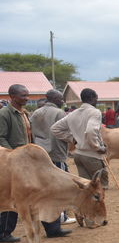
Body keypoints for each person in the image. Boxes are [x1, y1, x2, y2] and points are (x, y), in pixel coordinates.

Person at [0, 84, 70, 243]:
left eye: (27, 95)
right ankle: (3, 233)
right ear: (12, 96)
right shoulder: (5, 113)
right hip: (13, 163)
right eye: (23, 96)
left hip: (27, 161)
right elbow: (1, 137)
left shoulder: (24, 113)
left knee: (41, 193)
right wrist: (13, 156)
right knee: (13, 197)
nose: (26, 98)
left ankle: (53, 229)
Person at [30, 89, 76, 225]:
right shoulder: (59, 113)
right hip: (56, 153)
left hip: (39, 153)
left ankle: (47, 216)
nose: (62, 101)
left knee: (44, 186)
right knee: (60, 186)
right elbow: (65, 132)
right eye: (60, 99)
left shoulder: (35, 113)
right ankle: (60, 217)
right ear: (53, 99)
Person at [51, 88, 109, 188]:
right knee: (99, 188)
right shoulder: (95, 112)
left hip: (79, 156)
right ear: (92, 98)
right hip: (92, 156)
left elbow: (54, 128)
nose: (97, 100)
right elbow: (90, 131)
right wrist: (98, 148)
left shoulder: (73, 114)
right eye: (96, 98)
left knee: (86, 188)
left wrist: (72, 139)